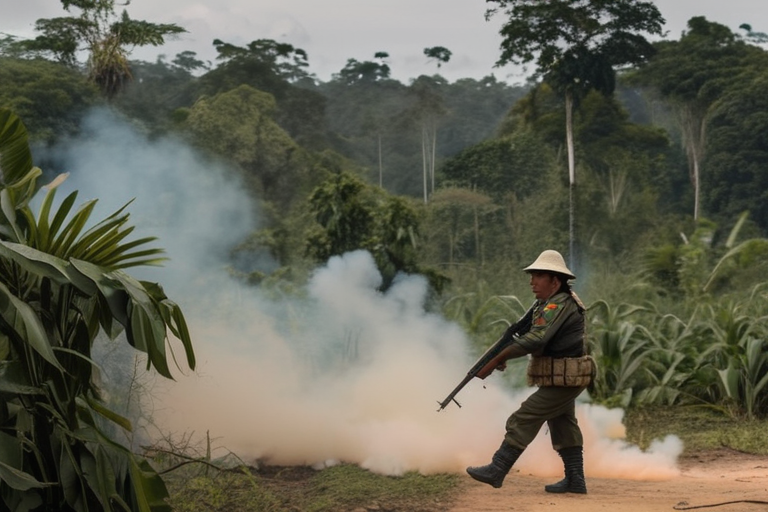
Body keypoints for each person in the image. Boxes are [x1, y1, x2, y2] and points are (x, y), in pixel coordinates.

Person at [466, 249, 594, 494]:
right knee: (563, 424)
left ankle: (497, 469)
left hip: (566, 378)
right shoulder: (551, 303)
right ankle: (575, 480)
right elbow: (532, 337)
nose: (532, 281)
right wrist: (501, 357)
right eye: (532, 275)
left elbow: (536, 339)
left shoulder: (559, 303)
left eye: (538, 276)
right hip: (564, 377)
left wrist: (498, 358)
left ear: (554, 281)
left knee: (524, 417)